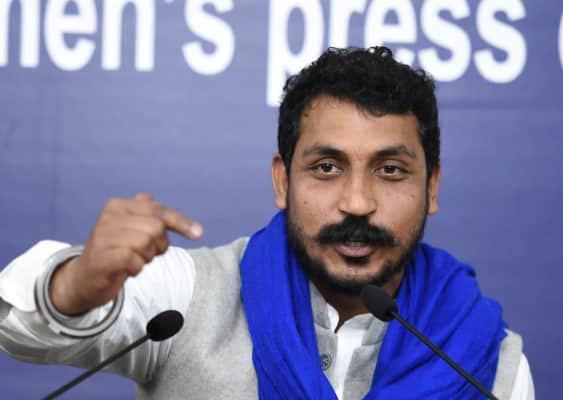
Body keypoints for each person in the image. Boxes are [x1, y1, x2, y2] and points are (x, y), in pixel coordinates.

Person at [0, 47, 533, 399]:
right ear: (282, 181)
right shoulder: (188, 299)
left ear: (432, 187)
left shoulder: (490, 361)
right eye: (326, 168)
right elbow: (20, 328)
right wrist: (77, 284)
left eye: (390, 170)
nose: (357, 202)